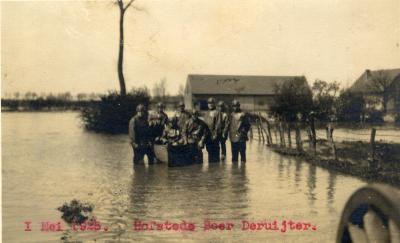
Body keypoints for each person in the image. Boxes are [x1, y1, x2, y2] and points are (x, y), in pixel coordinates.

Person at [203, 97, 222, 163]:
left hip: (214, 137)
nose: (210, 104)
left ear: (214, 104)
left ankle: (215, 171)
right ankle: (211, 171)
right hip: (207, 137)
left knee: (215, 156)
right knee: (209, 154)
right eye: (209, 103)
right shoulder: (206, 113)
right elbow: (204, 125)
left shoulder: (217, 112)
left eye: (211, 103)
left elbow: (218, 124)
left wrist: (215, 134)